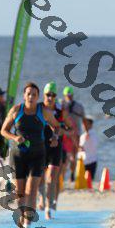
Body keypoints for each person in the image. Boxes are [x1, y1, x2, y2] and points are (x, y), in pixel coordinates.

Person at [0, 82, 61, 228]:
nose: (31, 97)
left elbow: (57, 126)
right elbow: (3, 131)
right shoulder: (16, 110)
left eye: (34, 94)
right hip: (18, 156)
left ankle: (28, 223)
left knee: (32, 189)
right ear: (24, 95)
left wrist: (55, 136)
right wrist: (15, 137)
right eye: (28, 94)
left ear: (38, 97)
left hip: (37, 155)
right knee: (20, 192)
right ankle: (22, 216)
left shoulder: (44, 112)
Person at [40, 82, 75, 219]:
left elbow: (72, 129)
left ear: (56, 96)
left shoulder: (61, 111)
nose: (50, 97)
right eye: (48, 94)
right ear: (44, 95)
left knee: (52, 178)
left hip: (56, 147)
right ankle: (42, 199)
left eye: (53, 95)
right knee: (40, 178)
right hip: (40, 147)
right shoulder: (38, 109)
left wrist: (63, 132)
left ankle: (48, 208)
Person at [61, 86, 87, 181]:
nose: (69, 97)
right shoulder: (61, 105)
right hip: (65, 134)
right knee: (66, 156)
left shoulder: (78, 106)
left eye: (70, 95)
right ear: (64, 95)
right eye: (67, 96)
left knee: (73, 156)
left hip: (76, 133)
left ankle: (72, 174)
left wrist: (87, 131)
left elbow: (84, 119)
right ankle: (64, 175)